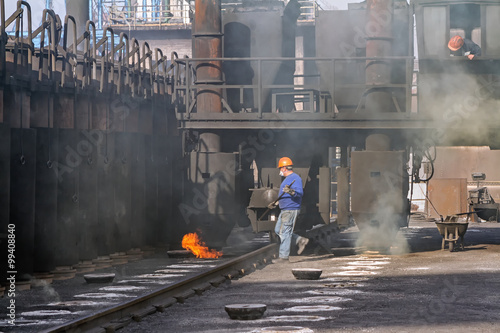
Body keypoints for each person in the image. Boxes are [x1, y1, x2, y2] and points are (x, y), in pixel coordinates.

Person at [268, 157, 309, 262]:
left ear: (284, 168)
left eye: (280, 168)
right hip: (285, 208)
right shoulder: (287, 179)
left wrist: (291, 191)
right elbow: (284, 195)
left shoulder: (295, 178)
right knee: (278, 230)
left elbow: (299, 193)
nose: (280, 171)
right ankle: (300, 240)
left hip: (291, 209)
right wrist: (276, 203)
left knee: (285, 232)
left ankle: (284, 257)